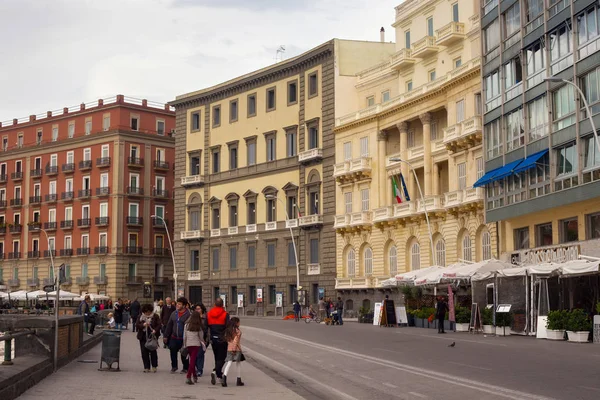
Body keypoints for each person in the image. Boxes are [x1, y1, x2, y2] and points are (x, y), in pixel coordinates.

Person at [163, 297, 190, 374]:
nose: (177, 305)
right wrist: (165, 335)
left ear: (184, 305)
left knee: (184, 353)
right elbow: (169, 325)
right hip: (174, 337)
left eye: (179, 304)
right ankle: (174, 366)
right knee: (173, 352)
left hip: (184, 338)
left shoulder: (188, 314)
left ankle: (185, 367)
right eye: (177, 303)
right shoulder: (174, 313)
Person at [207, 297, 230, 385]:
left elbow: (206, 326)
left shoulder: (209, 314)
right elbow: (228, 326)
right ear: (223, 305)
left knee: (216, 357)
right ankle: (215, 371)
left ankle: (219, 375)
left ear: (214, 304)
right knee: (223, 357)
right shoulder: (225, 314)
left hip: (213, 338)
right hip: (222, 338)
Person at [136, 303, 161, 373]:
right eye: (146, 312)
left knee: (153, 351)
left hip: (152, 336)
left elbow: (159, 325)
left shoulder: (155, 316)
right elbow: (137, 325)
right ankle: (146, 367)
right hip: (143, 336)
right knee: (144, 352)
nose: (147, 313)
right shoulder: (141, 316)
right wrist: (143, 325)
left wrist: (155, 330)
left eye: (149, 312)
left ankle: (154, 366)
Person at [183, 311, 207, 385]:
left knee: (192, 360)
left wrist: (184, 345)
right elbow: (201, 337)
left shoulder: (186, 325)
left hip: (188, 344)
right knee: (192, 361)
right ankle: (188, 376)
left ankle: (194, 375)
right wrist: (204, 343)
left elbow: (184, 336)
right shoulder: (198, 326)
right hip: (196, 344)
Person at [222, 317, 244, 387]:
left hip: (229, 348)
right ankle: (238, 379)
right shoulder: (237, 331)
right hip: (236, 349)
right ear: (236, 323)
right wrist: (234, 348)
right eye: (239, 322)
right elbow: (236, 340)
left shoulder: (228, 330)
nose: (239, 323)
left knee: (229, 363)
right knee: (238, 364)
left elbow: (227, 339)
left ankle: (224, 377)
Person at [193, 304, 209, 378]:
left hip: (203, 339)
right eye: (196, 309)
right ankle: (196, 368)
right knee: (195, 355)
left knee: (200, 354)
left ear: (202, 309)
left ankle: (200, 370)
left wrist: (207, 339)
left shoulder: (206, 318)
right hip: (194, 339)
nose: (197, 310)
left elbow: (208, 329)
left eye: (199, 309)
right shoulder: (192, 317)